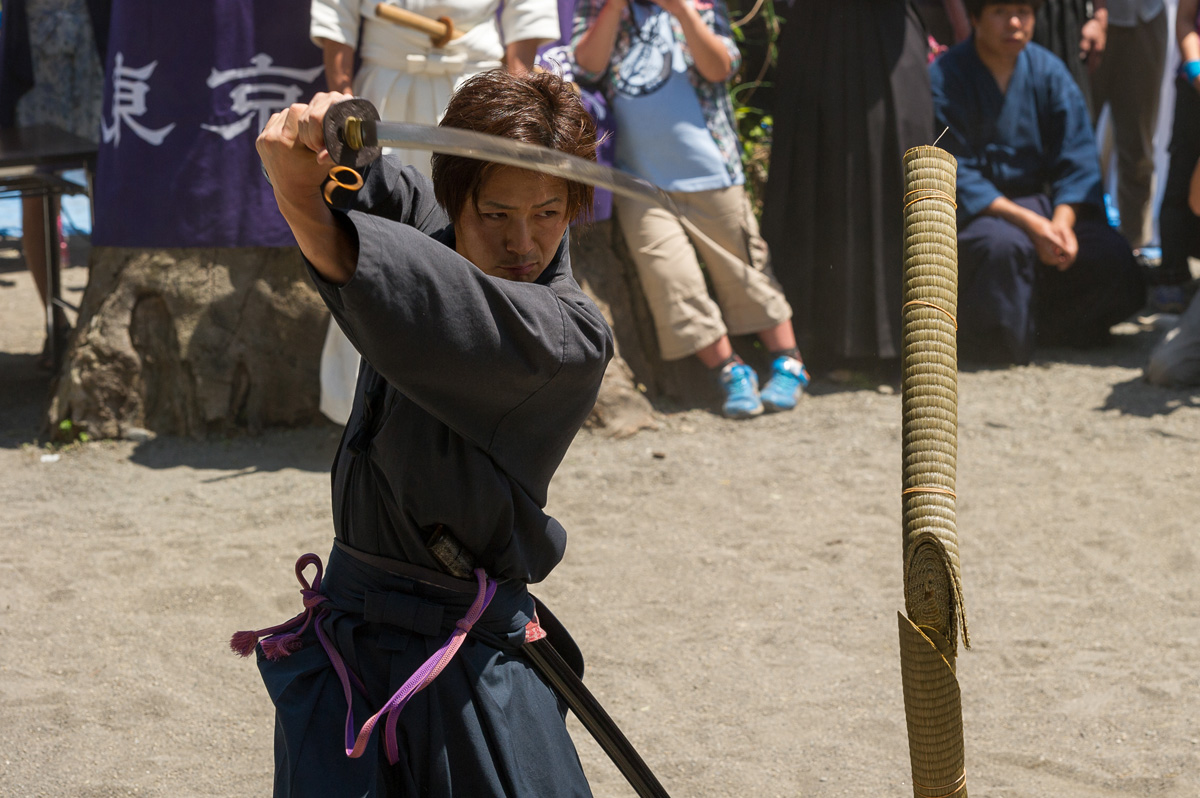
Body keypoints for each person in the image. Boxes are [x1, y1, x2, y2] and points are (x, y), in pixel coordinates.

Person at [243, 69, 610, 796]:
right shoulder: (437, 226)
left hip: (461, 658)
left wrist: (300, 203)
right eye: (496, 213)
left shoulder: (565, 339)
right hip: (351, 632)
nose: (522, 241)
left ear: (573, 206)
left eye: (547, 212)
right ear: (457, 200)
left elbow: (414, 290)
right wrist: (338, 132)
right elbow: (379, 188)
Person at [311, 0, 562, 423]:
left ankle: (493, 383)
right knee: (370, 238)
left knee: (483, 235)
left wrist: (520, 104)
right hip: (384, 94)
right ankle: (361, 404)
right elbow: (337, 10)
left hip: (475, 90)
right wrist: (343, 93)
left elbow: (527, 9)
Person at [571, 0, 808, 418]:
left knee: (745, 271)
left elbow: (721, 67)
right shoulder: (602, 9)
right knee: (671, 281)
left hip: (712, 172)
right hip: (639, 182)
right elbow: (587, 67)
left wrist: (682, 11)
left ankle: (789, 361)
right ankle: (731, 370)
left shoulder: (702, 5)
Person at [931, 0, 1144, 365]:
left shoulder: (1048, 70)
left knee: (1111, 256)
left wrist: (1060, 226)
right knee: (1001, 249)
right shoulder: (946, 75)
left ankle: (1050, 327)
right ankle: (997, 339)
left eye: (1024, 13)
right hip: (983, 210)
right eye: (999, 12)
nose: (1014, 23)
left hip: (1047, 204)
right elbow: (955, 169)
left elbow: (1076, 157)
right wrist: (1031, 225)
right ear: (976, 17)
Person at [760, 1, 951, 378]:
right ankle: (819, 342)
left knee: (899, 173)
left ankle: (915, 341)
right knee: (820, 173)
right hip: (818, 33)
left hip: (888, 39)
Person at [0, 0, 106, 370]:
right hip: (34, 55)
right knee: (38, 188)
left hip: (96, 49)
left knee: (103, 181)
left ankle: (100, 313)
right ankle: (55, 320)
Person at [1090, 0, 1167, 252]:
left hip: (1145, 18)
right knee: (1073, 140)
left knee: (1138, 146)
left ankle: (1134, 247)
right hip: (1085, 20)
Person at [1155, 0, 1200, 312]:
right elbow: (1184, 21)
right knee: (1181, 181)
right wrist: (1196, 69)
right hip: (1195, 89)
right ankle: (1172, 274)